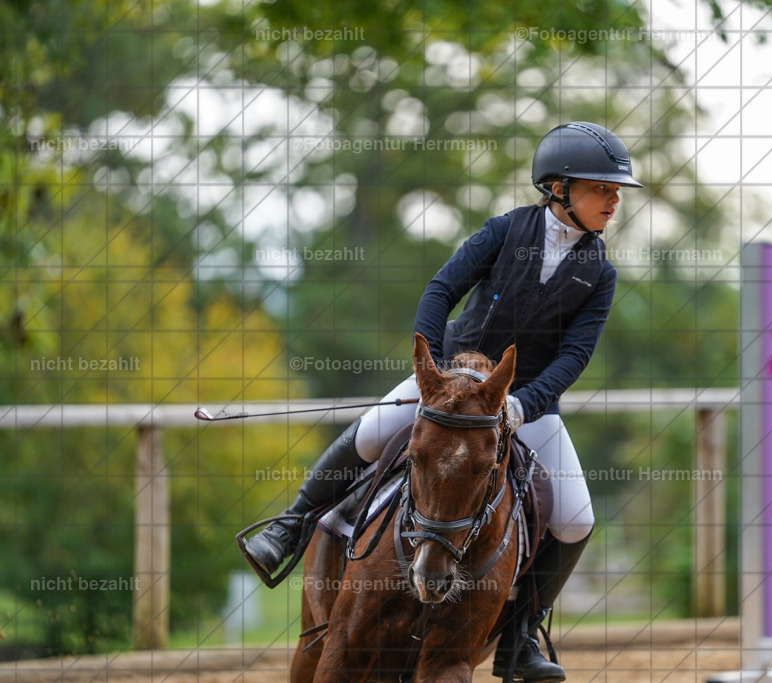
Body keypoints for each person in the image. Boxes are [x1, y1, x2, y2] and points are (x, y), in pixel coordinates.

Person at [242, 121, 641, 681]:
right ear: (558, 187)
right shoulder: (504, 231)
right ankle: (289, 526)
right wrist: (431, 371)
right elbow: (440, 290)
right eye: (603, 187)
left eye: (616, 190)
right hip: (450, 382)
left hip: (525, 403)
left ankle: (522, 634)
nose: (614, 199)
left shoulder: (599, 271)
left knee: (576, 519)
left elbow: (575, 354)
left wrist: (525, 403)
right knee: (371, 435)